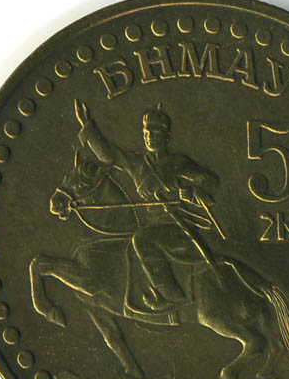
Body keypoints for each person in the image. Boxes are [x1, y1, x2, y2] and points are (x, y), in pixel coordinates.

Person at [75, 99, 221, 312]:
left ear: (166, 137)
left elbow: (210, 180)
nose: (150, 136)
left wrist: (193, 192)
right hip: (150, 223)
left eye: (155, 133)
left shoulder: (177, 162)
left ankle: (172, 296)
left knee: (142, 240)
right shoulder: (137, 162)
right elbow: (109, 154)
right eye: (146, 133)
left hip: (176, 225)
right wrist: (87, 126)